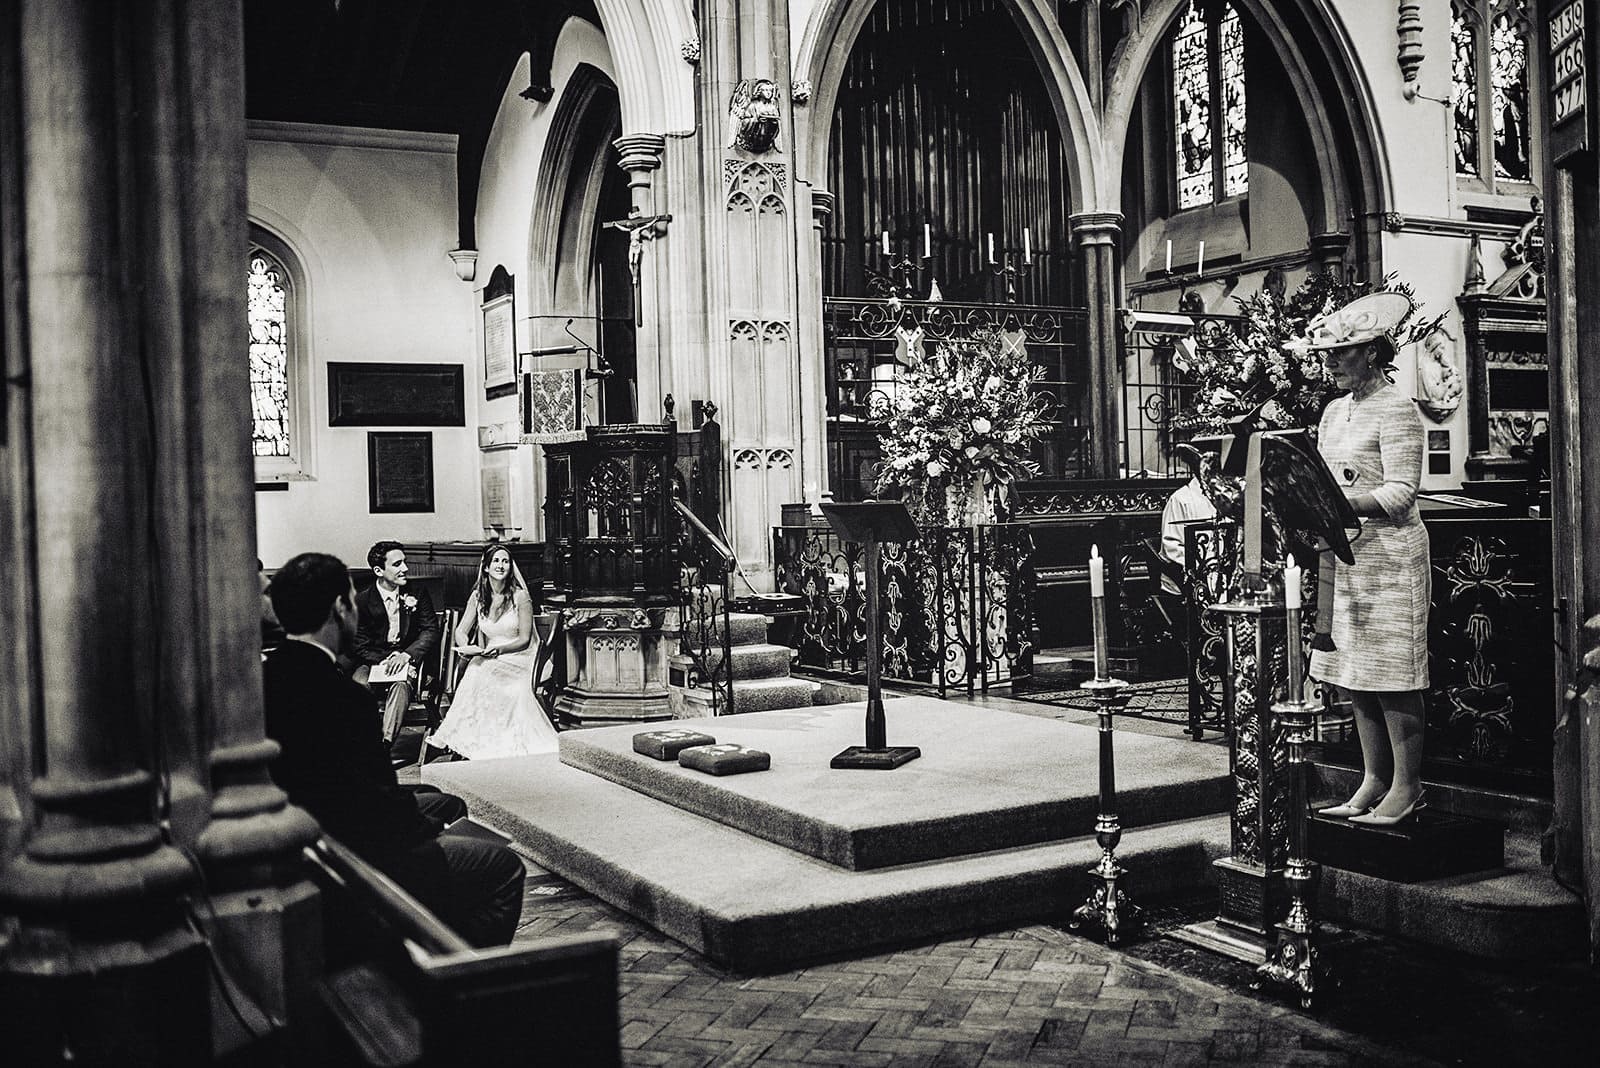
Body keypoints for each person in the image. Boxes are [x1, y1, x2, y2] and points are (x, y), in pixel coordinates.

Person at [264, 552, 524, 947]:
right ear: (340, 608)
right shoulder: (346, 700)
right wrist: (430, 833)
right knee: (503, 865)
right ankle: (457, 966)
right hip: (358, 844)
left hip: (313, 825)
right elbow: (377, 803)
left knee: (444, 801)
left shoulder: (264, 679)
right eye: (350, 601)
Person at [1304, 292, 1431, 826]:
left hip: (1392, 556)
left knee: (1394, 674)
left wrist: (1335, 505)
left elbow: (1402, 491)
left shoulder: (1399, 409)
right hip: (1347, 556)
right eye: (1326, 354)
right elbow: (1321, 477)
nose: (1329, 362)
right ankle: (1373, 778)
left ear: (1373, 353)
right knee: (1356, 673)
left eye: (1342, 352)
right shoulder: (1334, 411)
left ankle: (1408, 785)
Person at [426, 545, 558, 760]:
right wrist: (466, 646)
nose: (501, 565)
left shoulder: (520, 596)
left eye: (505, 561)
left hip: (520, 656)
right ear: (486, 567)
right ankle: (473, 738)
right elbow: (461, 630)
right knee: (477, 667)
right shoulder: (478, 597)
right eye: (496, 561)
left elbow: (525, 640)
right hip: (490, 655)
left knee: (480, 670)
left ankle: (489, 740)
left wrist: (498, 649)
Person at [352, 540, 440, 746]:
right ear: (378, 570)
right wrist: (386, 660)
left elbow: (430, 630)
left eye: (405, 562)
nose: (405, 569)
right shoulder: (362, 601)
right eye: (397, 564)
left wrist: (406, 656)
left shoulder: (417, 593)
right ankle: (361, 740)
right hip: (372, 660)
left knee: (401, 685)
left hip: (409, 658)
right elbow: (359, 643)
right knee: (357, 685)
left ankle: (384, 743)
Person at [1158, 446, 1217, 596]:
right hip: (1186, 584)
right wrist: (1205, 568)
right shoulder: (1181, 499)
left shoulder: (1225, 498)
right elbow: (1171, 548)